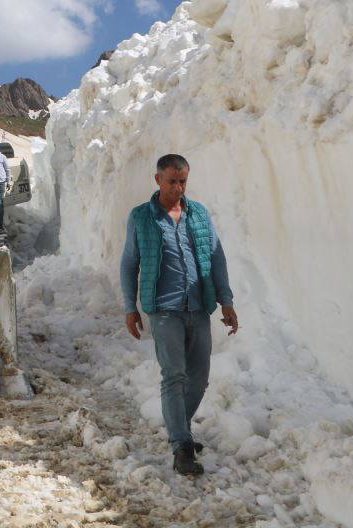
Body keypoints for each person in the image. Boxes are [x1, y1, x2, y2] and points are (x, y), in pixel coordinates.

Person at [120, 153, 239, 477]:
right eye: (172, 181)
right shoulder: (141, 217)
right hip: (164, 311)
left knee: (199, 378)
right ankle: (182, 447)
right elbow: (130, 263)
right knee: (173, 375)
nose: (178, 187)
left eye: (183, 181)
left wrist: (226, 301)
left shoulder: (198, 214)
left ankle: (180, 431)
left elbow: (217, 258)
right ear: (158, 180)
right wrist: (130, 307)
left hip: (198, 307)